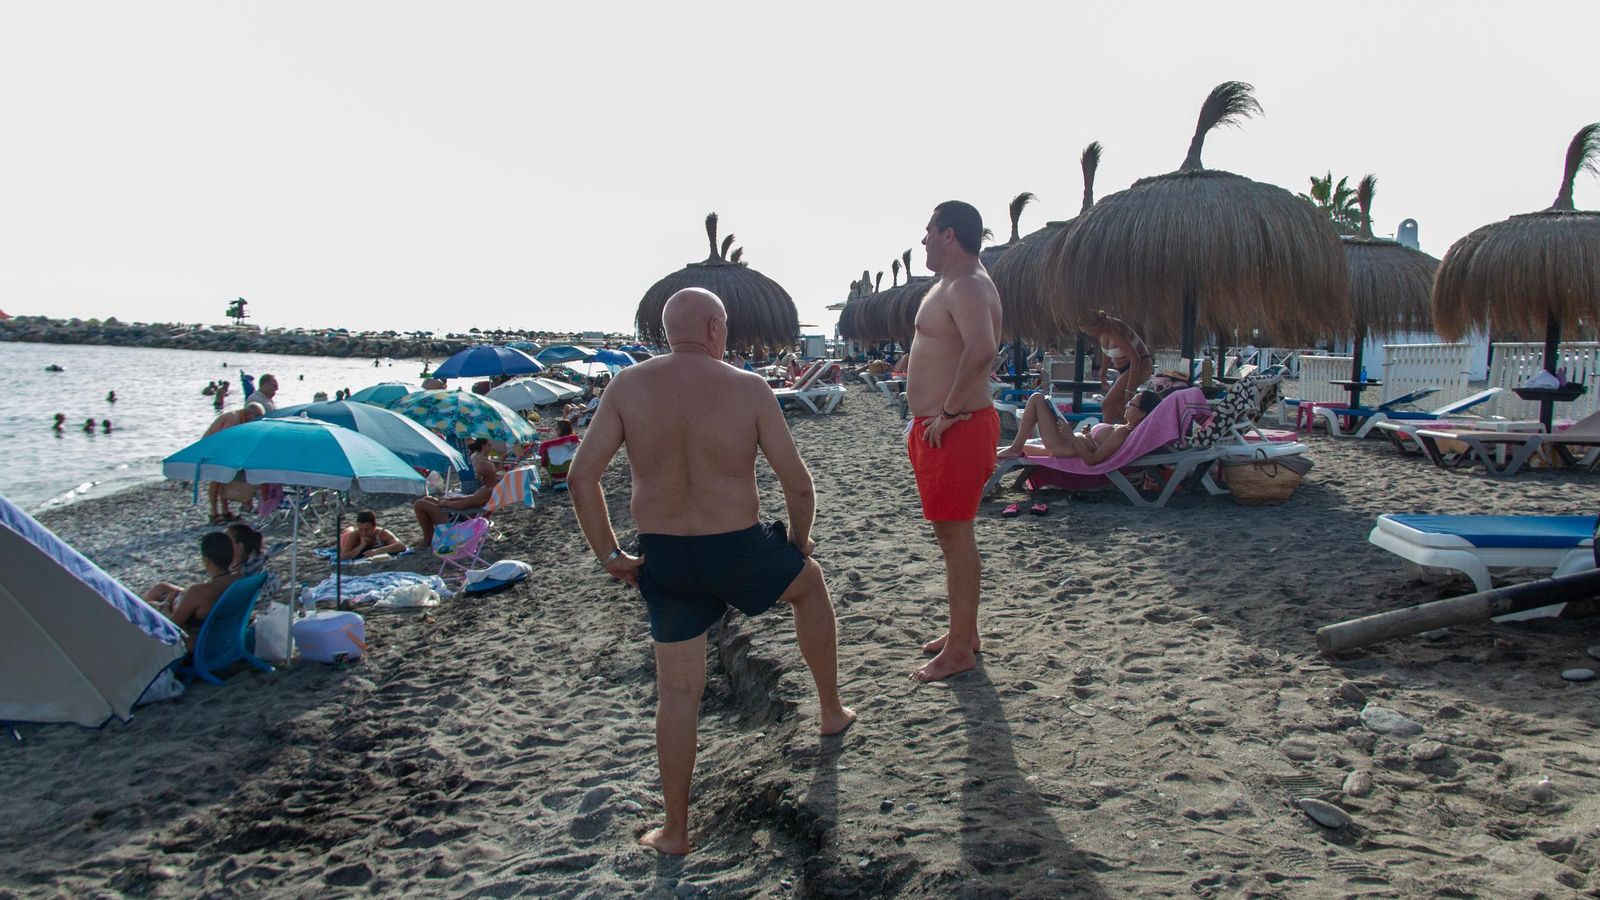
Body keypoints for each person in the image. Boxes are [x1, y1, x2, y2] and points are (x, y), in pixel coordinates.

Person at [568, 287, 854, 857]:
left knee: (678, 692)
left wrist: (610, 556)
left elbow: (581, 477)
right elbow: (797, 484)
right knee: (810, 584)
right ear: (714, 327)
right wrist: (798, 542)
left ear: (667, 330)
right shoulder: (748, 388)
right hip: (738, 549)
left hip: (666, 557)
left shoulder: (627, 386)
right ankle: (829, 710)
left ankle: (675, 830)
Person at [905, 200, 1003, 683]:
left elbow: (983, 350)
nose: (922, 239)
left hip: (956, 427)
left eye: (928, 230)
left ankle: (961, 649)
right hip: (941, 428)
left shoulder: (967, 285)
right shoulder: (951, 284)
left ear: (948, 234)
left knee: (955, 537)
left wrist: (945, 413)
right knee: (950, 536)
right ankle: (964, 633)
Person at [996, 390, 1163, 461]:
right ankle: (998, 455)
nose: (1127, 406)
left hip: (1063, 446)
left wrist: (1070, 436)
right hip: (1066, 443)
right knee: (1009, 450)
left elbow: (1093, 460)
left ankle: (1015, 448)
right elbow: (1097, 444)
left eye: (1131, 404)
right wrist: (1087, 434)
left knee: (1037, 399)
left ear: (1142, 413)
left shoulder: (1123, 433)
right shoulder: (1126, 430)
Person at [141, 532, 239, 643]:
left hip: (195, 642)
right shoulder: (240, 579)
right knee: (162, 587)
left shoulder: (198, 591)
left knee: (148, 606)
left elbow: (171, 627)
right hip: (225, 633)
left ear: (207, 561)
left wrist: (166, 604)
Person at [411, 437, 500, 551]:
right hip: (465, 514)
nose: (477, 476)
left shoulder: (487, 491)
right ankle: (430, 536)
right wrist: (452, 499)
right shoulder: (490, 487)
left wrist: (446, 503)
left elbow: (463, 505)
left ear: (484, 475)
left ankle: (427, 540)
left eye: (478, 473)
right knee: (428, 499)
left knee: (420, 504)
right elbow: (471, 500)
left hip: (463, 521)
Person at [1082, 312, 1152, 426]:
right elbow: (1107, 352)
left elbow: (1135, 359)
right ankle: (1125, 433)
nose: (1090, 335)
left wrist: (1130, 390)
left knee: (1107, 404)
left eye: (1089, 331)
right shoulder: (1103, 331)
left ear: (1097, 324)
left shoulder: (1115, 331)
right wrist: (1103, 372)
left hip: (1140, 365)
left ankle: (1104, 434)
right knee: (1120, 409)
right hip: (1124, 370)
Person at [203, 402, 265, 523]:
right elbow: (227, 439)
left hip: (222, 452)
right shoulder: (234, 418)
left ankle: (225, 511)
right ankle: (213, 512)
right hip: (214, 451)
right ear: (250, 415)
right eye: (256, 418)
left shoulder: (240, 419)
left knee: (224, 481)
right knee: (216, 482)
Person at [339, 509, 406, 559]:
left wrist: (376, 551)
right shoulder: (355, 535)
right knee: (348, 532)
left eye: (367, 529)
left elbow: (401, 546)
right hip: (346, 536)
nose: (363, 533)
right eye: (361, 529)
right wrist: (361, 546)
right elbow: (343, 556)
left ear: (374, 527)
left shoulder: (381, 533)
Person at [538, 418, 581, 486]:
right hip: (575, 470)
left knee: (547, 457)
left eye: (557, 428)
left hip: (557, 473)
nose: (555, 429)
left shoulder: (550, 445)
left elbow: (545, 461)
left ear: (560, 430)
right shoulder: (577, 441)